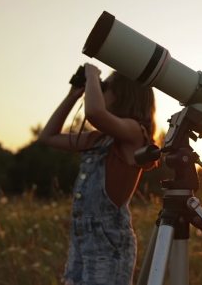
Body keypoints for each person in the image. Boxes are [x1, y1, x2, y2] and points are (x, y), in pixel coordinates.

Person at [39, 63, 157, 285]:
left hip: (109, 248)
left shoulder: (135, 133)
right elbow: (48, 136)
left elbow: (94, 112)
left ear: (124, 95)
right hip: (82, 245)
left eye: (107, 87)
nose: (101, 91)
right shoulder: (99, 139)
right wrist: (73, 95)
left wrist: (93, 75)